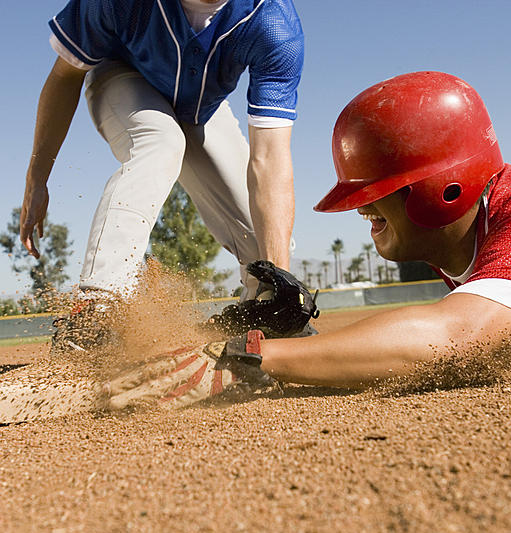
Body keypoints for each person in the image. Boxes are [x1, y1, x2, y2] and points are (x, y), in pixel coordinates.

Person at [98, 71, 511, 410]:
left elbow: (447, 337)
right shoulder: (472, 227)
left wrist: (243, 358)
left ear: (446, 190)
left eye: (376, 195)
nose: (360, 212)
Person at [20, 0, 305, 351]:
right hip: (122, 76)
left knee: (266, 245)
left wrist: (279, 283)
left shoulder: (272, 21)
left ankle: (256, 318)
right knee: (160, 142)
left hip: (201, 106)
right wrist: (38, 177)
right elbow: (65, 75)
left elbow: (270, 157)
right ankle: (96, 309)